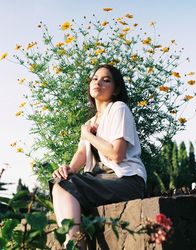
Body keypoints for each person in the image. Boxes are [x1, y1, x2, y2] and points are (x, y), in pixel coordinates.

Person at [50, 64, 147, 248]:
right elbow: (81, 153)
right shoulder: (90, 122)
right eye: (95, 78)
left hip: (126, 180)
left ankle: (76, 245)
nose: (98, 82)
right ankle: (73, 243)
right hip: (101, 180)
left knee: (67, 184)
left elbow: (116, 154)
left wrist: (88, 135)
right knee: (59, 183)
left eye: (106, 80)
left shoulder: (119, 108)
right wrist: (67, 170)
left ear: (116, 89)